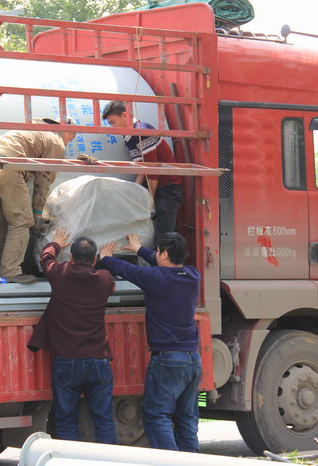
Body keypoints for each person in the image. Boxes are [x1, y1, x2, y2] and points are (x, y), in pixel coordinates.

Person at [99, 232, 201, 452]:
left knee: (157, 417)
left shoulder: (156, 278)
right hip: (193, 359)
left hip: (168, 360)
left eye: (157, 252)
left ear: (164, 253)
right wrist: (139, 249)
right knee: (186, 420)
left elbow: (126, 269)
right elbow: (162, 263)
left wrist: (105, 257)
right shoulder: (193, 276)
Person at [27, 227, 118, 444]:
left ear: (71, 257)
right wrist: (108, 258)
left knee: (66, 421)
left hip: (66, 361)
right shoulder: (105, 280)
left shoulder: (60, 274)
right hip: (98, 360)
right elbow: (111, 284)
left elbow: (45, 257)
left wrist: (56, 242)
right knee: (104, 420)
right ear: (95, 259)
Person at [0, 117, 77, 284]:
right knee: (22, 222)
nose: (69, 142)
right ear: (67, 130)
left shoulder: (36, 129)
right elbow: (43, 181)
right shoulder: (56, 141)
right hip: (11, 166)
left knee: (5, 223)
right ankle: (11, 271)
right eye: (72, 137)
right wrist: (37, 215)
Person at [101, 101, 183, 240]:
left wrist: (149, 198)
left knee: (164, 237)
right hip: (156, 188)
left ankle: (164, 261)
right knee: (156, 234)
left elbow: (152, 170)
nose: (113, 127)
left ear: (125, 115)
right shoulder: (129, 137)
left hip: (167, 189)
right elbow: (142, 169)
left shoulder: (142, 131)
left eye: (113, 122)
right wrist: (136, 190)